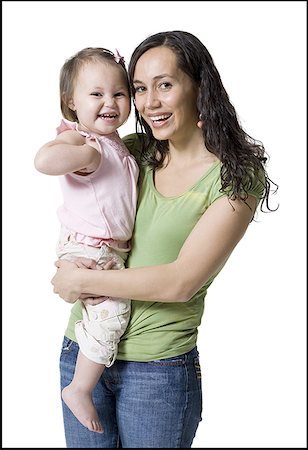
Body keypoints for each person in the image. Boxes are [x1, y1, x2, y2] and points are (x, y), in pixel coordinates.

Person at [51, 31, 278, 448]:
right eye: (139, 88)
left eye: (165, 85)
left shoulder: (235, 177)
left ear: (198, 86)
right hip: (83, 351)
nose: (149, 102)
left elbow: (181, 281)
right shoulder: (133, 152)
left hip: (157, 372)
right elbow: (88, 212)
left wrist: (79, 281)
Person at [34, 47, 139, 434]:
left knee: (105, 314)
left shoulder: (119, 146)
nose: (110, 102)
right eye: (96, 94)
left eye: (119, 93)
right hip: (91, 246)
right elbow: (44, 162)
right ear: (71, 103)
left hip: (100, 244)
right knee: (112, 316)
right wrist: (73, 149)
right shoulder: (91, 148)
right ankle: (80, 388)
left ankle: (82, 379)